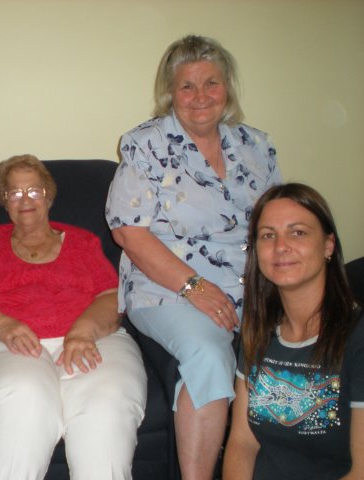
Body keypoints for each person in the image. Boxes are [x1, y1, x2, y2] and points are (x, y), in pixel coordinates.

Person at [105, 35, 282, 479]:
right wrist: (195, 287)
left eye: (211, 83)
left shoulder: (256, 146)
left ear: (228, 89)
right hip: (167, 286)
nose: (200, 96)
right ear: (170, 93)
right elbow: (128, 231)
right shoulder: (146, 144)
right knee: (207, 353)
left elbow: (276, 219)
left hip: (253, 285)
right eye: (187, 86)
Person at [0, 155, 147, 480]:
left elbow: (112, 297)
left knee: (106, 406)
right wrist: (0, 324)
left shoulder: (83, 242)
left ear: (49, 196)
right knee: (25, 398)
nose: (25, 200)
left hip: (92, 339)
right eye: (15, 192)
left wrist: (84, 330)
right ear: (4, 200)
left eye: (34, 191)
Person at [223, 183, 363, 479]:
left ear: (328, 245)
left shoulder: (357, 338)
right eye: (268, 235)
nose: (280, 246)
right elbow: (242, 443)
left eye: (297, 232)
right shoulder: (257, 330)